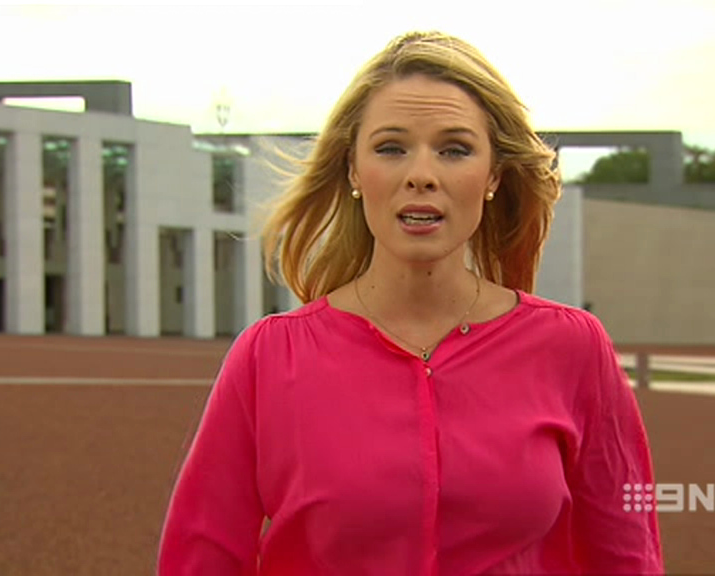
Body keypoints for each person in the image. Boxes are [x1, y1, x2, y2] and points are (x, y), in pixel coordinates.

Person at [157, 31, 663, 575]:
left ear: (493, 174)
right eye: (391, 148)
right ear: (353, 170)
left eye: (454, 150)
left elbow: (627, 557)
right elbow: (198, 561)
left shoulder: (571, 347)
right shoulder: (268, 357)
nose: (421, 175)